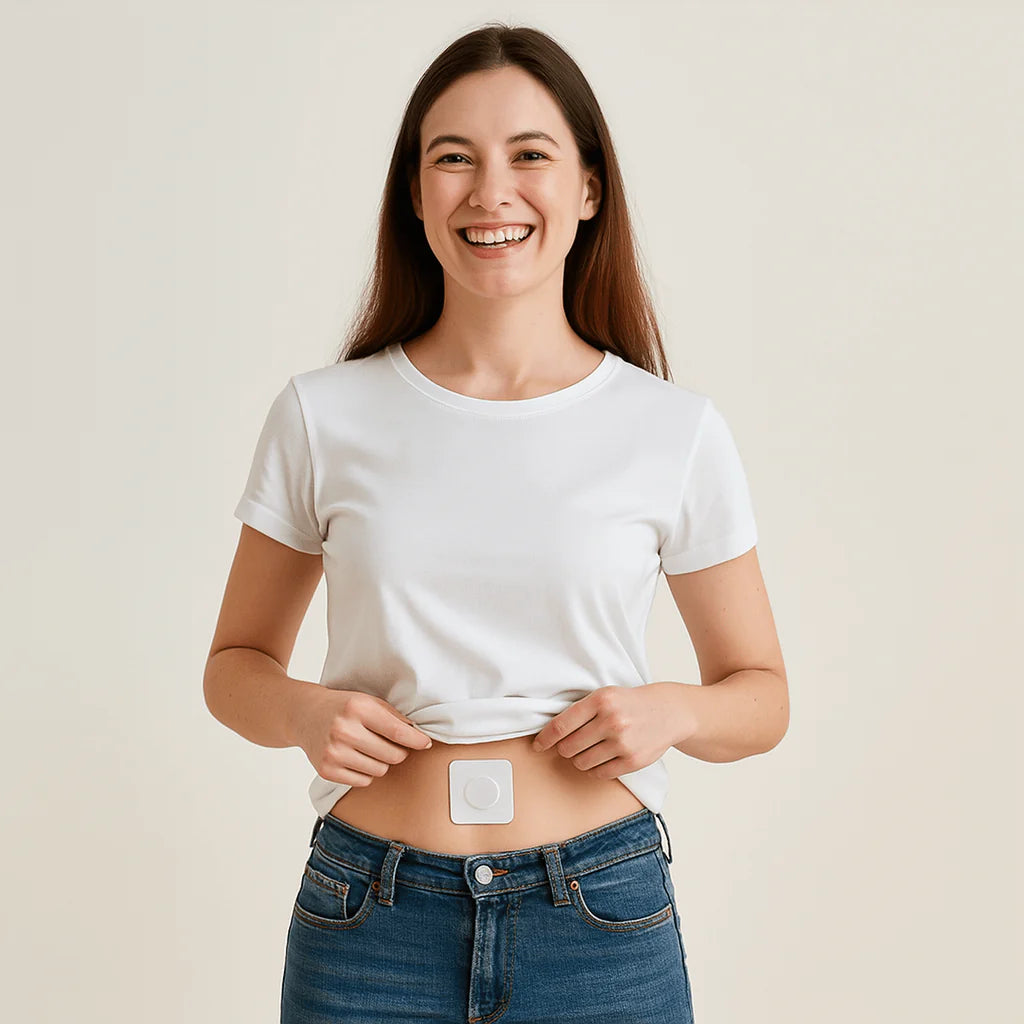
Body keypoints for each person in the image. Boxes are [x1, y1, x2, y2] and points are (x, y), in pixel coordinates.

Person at [204, 22, 788, 1024]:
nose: (490, 192)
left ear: (588, 189)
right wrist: (304, 712)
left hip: (599, 916)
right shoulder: (322, 415)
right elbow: (234, 666)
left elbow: (761, 695)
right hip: (368, 921)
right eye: (452, 159)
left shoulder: (671, 430)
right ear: (414, 192)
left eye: (529, 155)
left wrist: (672, 712)